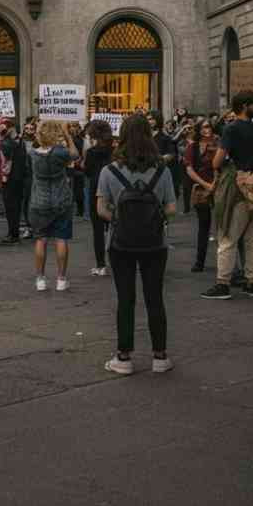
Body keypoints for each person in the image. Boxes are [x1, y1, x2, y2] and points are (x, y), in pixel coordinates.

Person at [97, 114, 177, 375]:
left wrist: (120, 218)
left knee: (125, 299)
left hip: (120, 243)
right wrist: (155, 217)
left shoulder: (109, 171)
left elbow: (101, 209)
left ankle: (124, 357)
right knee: (155, 298)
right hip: (155, 242)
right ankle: (160, 356)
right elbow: (172, 208)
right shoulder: (162, 170)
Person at [203, 91, 253, 299]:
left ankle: (223, 283)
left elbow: (217, 161)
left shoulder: (231, 129)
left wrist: (220, 160)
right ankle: (252, 283)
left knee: (228, 236)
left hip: (237, 186)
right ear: (246, 106)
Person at [28, 121, 78, 292]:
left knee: (41, 239)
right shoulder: (60, 153)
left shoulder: (33, 154)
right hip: (61, 199)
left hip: (39, 201)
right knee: (61, 239)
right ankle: (61, 279)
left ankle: (40, 279)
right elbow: (75, 155)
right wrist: (67, 135)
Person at [184, 119, 218, 273]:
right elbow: (189, 170)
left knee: (223, 226)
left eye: (209, 126)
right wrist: (205, 185)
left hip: (219, 186)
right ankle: (200, 261)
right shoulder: (193, 147)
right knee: (204, 226)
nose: (207, 130)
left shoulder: (218, 144)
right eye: (204, 127)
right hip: (201, 188)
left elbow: (221, 165)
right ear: (198, 130)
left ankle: (226, 262)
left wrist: (215, 184)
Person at [83, 119, 114, 275]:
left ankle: (101, 264)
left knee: (98, 230)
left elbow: (87, 172)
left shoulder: (91, 152)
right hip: (113, 189)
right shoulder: (114, 150)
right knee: (115, 225)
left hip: (96, 190)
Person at [0, 120, 28, 245]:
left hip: (10, 178)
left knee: (11, 207)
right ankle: (13, 233)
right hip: (18, 178)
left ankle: (13, 234)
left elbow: (4, 158)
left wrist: (1, 138)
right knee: (15, 207)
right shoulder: (19, 141)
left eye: (3, 129)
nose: (1, 131)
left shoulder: (7, 143)